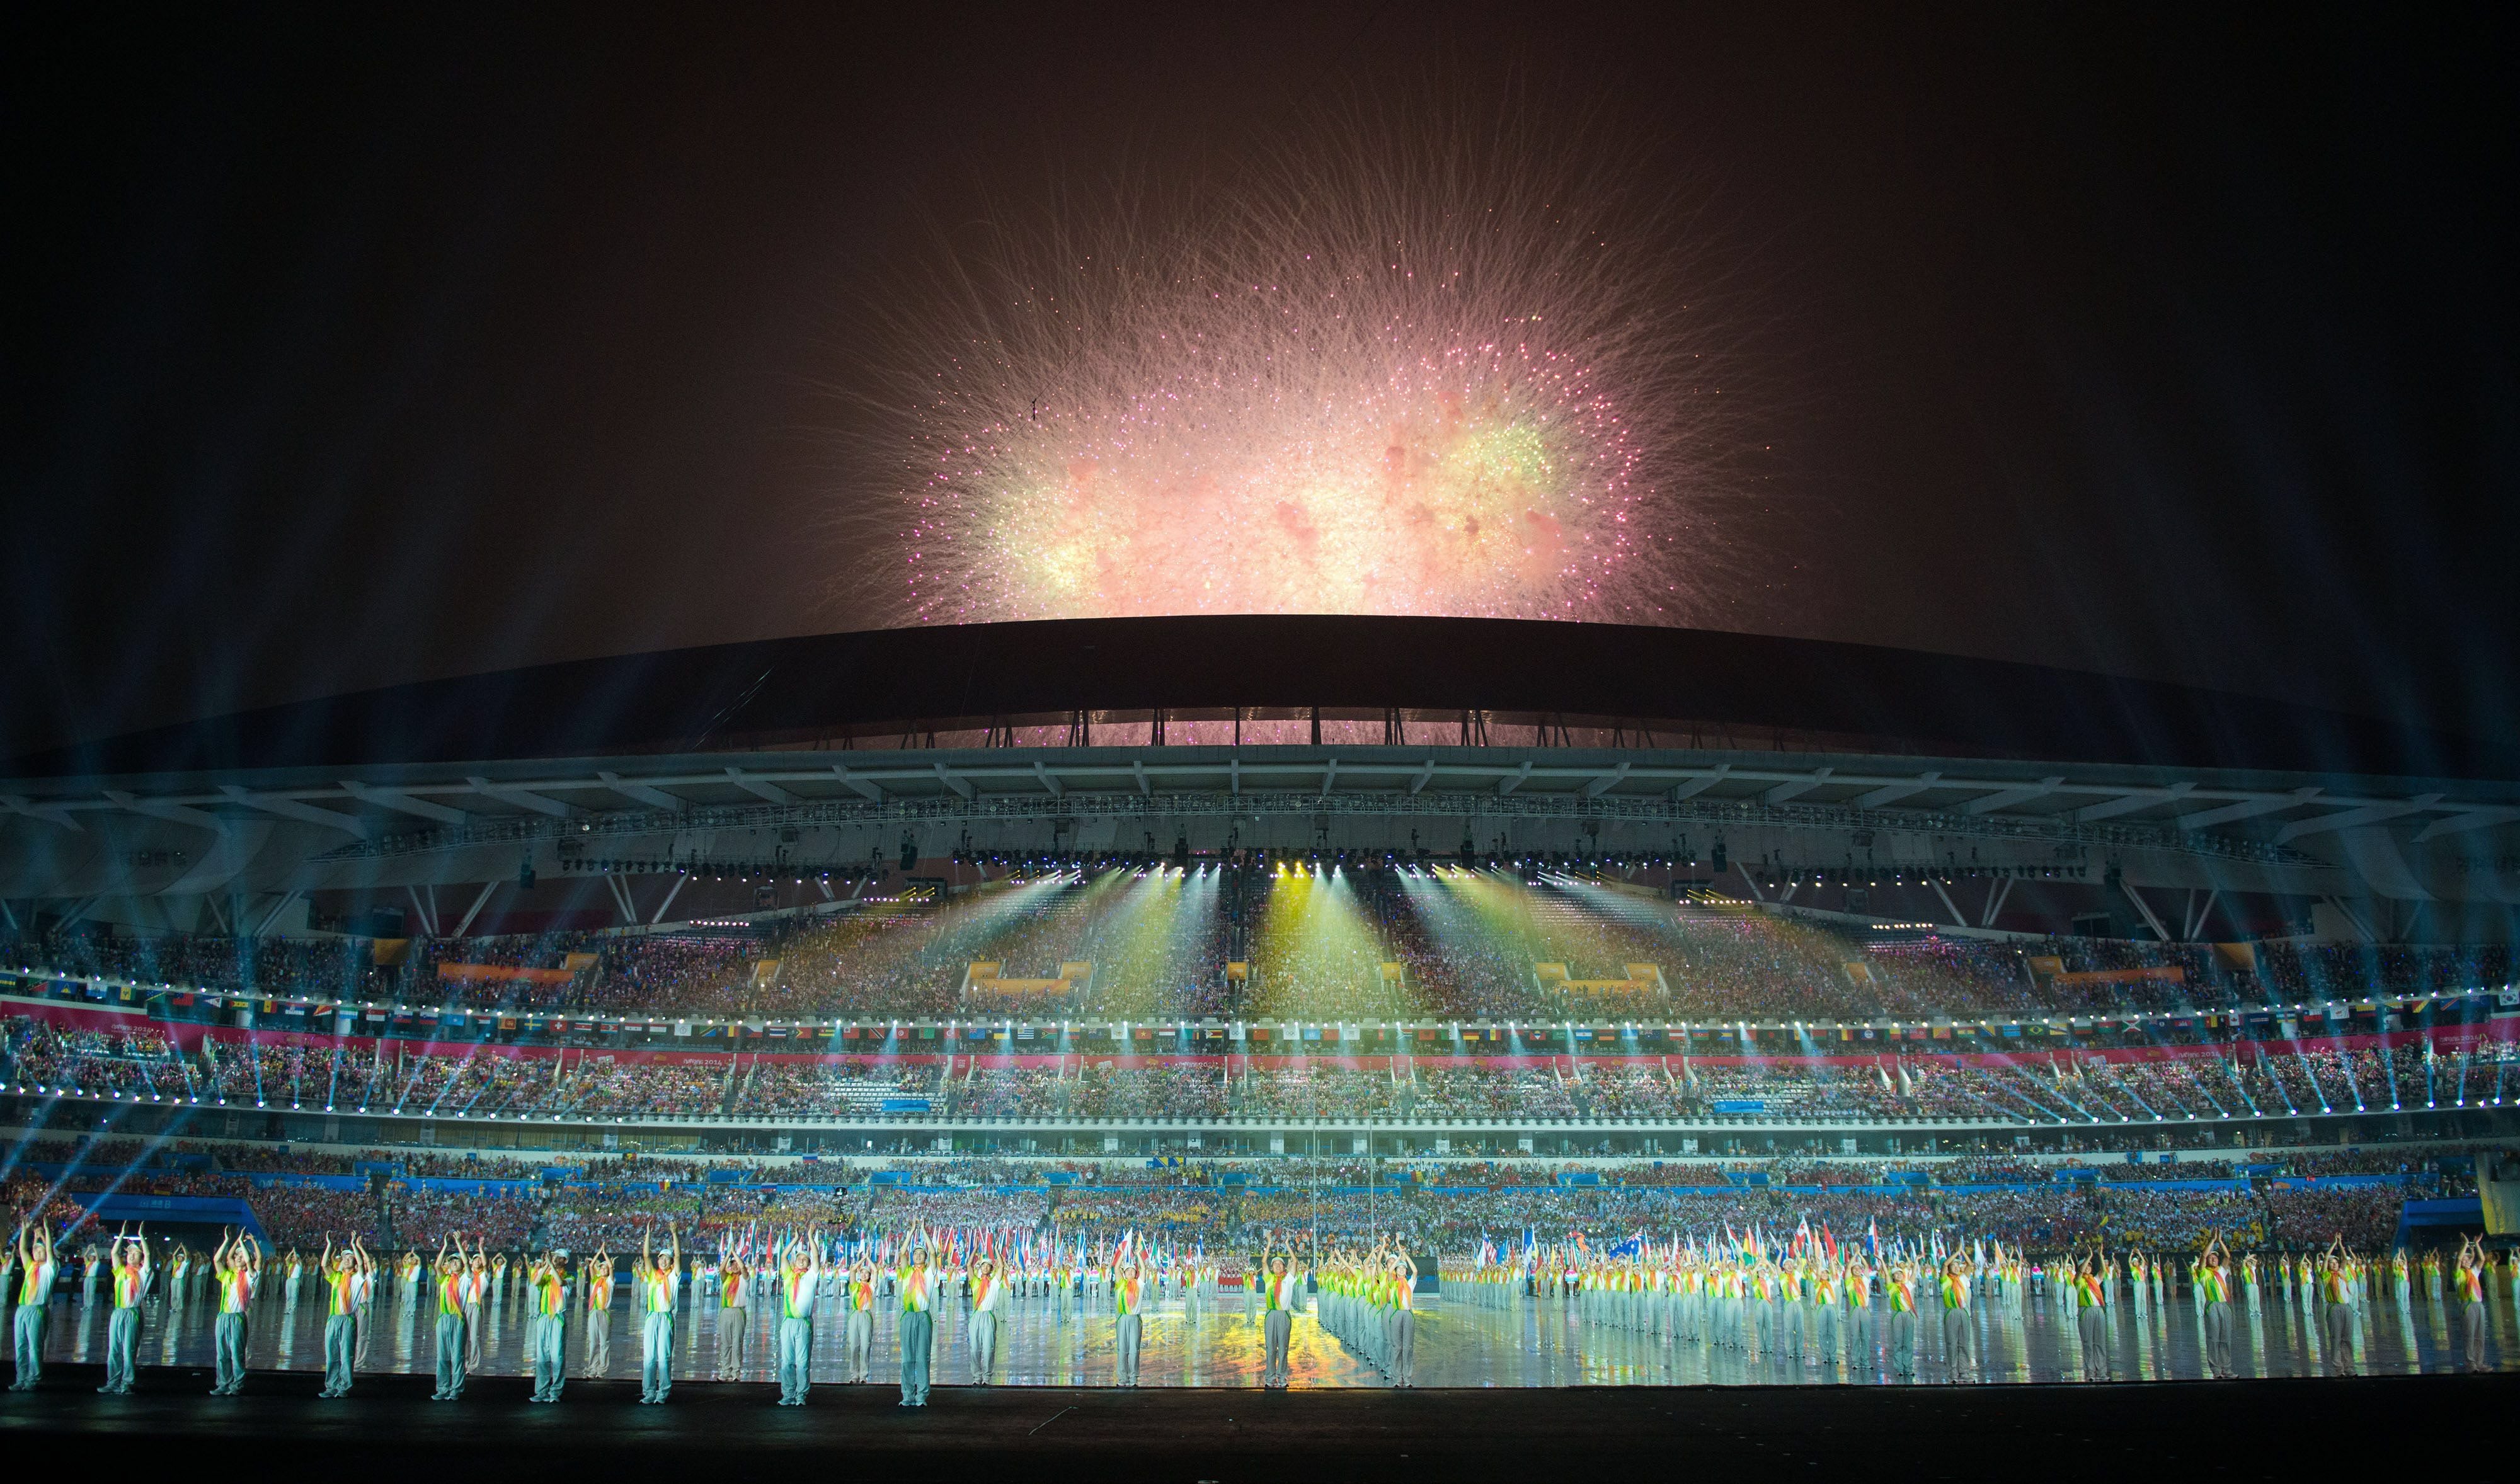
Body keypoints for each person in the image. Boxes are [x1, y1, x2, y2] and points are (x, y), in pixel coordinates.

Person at [316, 1235, 371, 1398]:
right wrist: (329, 1245)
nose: (347, 1259)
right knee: (332, 1355)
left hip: (348, 1319)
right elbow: (324, 1264)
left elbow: (362, 1264)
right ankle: (331, 1386)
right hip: (333, 1319)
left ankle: (344, 1387)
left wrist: (355, 1246)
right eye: (345, 1257)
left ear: (354, 1262)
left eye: (350, 1258)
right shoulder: (336, 1277)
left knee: (346, 1355)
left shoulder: (357, 1278)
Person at [98, 1224, 150, 1395]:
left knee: (129, 1349)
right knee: (114, 1349)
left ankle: (126, 1383)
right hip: (118, 1312)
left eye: (135, 1253)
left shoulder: (143, 1273)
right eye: (129, 1253)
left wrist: (141, 1237)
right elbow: (114, 1253)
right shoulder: (120, 1271)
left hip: (132, 1313)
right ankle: (113, 1381)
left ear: (140, 1258)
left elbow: (148, 1254)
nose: (131, 1255)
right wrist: (120, 1235)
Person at [209, 1227, 261, 1395]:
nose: (238, 1258)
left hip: (238, 1317)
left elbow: (255, 1259)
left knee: (237, 1353)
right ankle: (223, 1383)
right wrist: (227, 1241)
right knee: (222, 1353)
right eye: (237, 1256)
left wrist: (244, 1244)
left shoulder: (249, 1276)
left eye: (242, 1256)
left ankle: (237, 1385)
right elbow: (218, 1260)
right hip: (223, 1317)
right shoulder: (227, 1275)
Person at [772, 1231, 822, 1405]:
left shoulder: (811, 1276)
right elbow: (784, 1255)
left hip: (804, 1323)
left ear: (809, 1264)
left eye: (805, 1259)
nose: (802, 1260)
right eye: (799, 1258)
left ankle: (801, 1395)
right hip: (788, 1322)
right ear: (795, 1261)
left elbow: (816, 1255)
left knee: (802, 1362)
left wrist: (809, 1237)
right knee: (787, 1362)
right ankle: (788, 1394)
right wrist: (794, 1240)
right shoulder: (788, 1276)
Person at [636, 1225, 682, 1404]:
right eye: (661, 1258)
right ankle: (648, 1392)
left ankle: (663, 1392)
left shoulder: (674, 1276)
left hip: (665, 1317)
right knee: (649, 1357)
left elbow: (678, 1256)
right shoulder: (652, 1275)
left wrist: (675, 1234)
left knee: (664, 1357)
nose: (664, 1261)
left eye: (667, 1259)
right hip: (652, 1316)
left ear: (671, 1262)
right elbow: (646, 1256)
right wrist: (648, 1234)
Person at [9, 1218, 56, 1391]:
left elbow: (50, 1251)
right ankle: (21, 1378)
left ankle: (33, 1379)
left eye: (40, 1250)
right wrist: (25, 1231)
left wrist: (45, 1234)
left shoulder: (50, 1268)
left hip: (38, 1310)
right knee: (21, 1345)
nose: (37, 1252)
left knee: (35, 1346)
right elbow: (22, 1249)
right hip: (22, 1310)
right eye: (35, 1250)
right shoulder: (31, 1266)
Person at [430, 1235, 472, 1401]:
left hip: (457, 1318)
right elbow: (437, 1265)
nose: (454, 1263)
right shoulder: (444, 1279)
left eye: (457, 1261)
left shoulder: (465, 1279)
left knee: (457, 1357)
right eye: (452, 1261)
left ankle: (456, 1389)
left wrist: (458, 1246)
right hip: (443, 1318)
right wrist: (446, 1246)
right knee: (442, 1356)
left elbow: (468, 1264)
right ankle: (442, 1388)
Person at [526, 1251, 570, 1403]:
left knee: (557, 1355)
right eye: (553, 1256)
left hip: (558, 1318)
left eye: (558, 1257)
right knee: (542, 1356)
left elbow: (560, 1283)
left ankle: (555, 1391)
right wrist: (546, 1266)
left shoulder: (569, 1277)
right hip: (544, 1316)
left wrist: (550, 1265)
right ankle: (541, 1391)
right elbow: (536, 1282)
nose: (555, 1259)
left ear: (565, 1260)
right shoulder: (546, 1275)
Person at [896, 1244, 937, 1407]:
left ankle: (921, 1396)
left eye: (922, 1254)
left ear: (926, 1257)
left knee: (922, 1358)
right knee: (907, 1359)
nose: (918, 1256)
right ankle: (907, 1395)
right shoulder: (907, 1272)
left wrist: (923, 1230)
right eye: (916, 1254)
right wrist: (912, 1230)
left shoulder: (929, 1273)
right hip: (908, 1316)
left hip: (923, 1316)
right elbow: (902, 1253)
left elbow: (934, 1253)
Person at [2194, 1233, 2235, 1379]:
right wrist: (2212, 1240)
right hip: (2212, 1305)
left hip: (2225, 1306)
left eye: (2216, 1257)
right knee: (2213, 1338)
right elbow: (2203, 1256)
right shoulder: (2203, 1272)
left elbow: (2228, 1256)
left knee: (2226, 1338)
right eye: (2211, 1257)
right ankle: (2216, 1370)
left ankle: (2227, 1369)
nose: (2214, 1259)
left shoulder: (2221, 1271)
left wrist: (2220, 1241)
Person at [1259, 1245, 1299, 1388]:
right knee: (1270, 1348)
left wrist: (1288, 1244)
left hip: (1284, 1316)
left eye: (1280, 1264)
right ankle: (1270, 1378)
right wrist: (1269, 1243)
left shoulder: (1288, 1279)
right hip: (1271, 1315)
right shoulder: (1268, 1279)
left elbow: (1295, 1261)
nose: (1277, 1266)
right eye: (1274, 1264)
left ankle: (1282, 1378)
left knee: (1283, 1349)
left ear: (1283, 1267)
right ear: (1272, 1267)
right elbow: (1263, 1262)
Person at [2455, 1236, 2492, 1373]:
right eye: (2464, 1259)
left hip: (2479, 1305)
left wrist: (2477, 1244)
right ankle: (2471, 1363)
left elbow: (2482, 1259)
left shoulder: (2474, 1272)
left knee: (2480, 1336)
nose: (2465, 1260)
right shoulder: (2458, 1274)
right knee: (2469, 1335)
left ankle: (2479, 1363)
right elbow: (2458, 1260)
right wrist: (2465, 1244)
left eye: (2467, 1258)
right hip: (2467, 1305)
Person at [967, 1255, 1005, 1384]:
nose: (985, 1267)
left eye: (988, 1266)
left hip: (988, 1316)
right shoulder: (975, 1282)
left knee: (989, 1348)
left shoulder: (994, 1283)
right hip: (976, 1316)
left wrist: (997, 1252)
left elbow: (1002, 1267)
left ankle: (987, 1377)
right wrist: (974, 1252)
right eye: (983, 1265)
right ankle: (977, 1377)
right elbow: (969, 1266)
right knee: (974, 1348)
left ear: (991, 1269)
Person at [1387, 1245, 1418, 1388]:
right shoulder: (1393, 1283)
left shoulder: (1410, 1283)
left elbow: (1416, 1270)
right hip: (1396, 1313)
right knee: (1397, 1347)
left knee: (1408, 1348)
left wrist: (1406, 1257)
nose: (1400, 1270)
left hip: (1408, 1314)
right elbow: (1389, 1271)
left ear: (1406, 1272)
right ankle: (1397, 1378)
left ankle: (1407, 1378)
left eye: (1403, 1269)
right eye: (1398, 1268)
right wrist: (1399, 1258)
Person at [1937, 1256, 1973, 1382]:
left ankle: (1964, 1372)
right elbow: (1944, 1265)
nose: (1957, 1268)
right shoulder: (1945, 1280)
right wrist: (1956, 1252)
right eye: (1954, 1266)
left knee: (1964, 1344)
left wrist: (1962, 1252)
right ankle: (1953, 1373)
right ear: (1949, 1268)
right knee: (1952, 1344)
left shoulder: (1962, 1279)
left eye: (1959, 1266)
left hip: (1963, 1312)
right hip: (1951, 1312)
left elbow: (1970, 1264)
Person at [843, 1256, 878, 1384]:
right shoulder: (854, 1286)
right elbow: (852, 1271)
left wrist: (868, 1258)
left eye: (866, 1273)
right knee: (854, 1346)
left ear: (869, 1275)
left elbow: (876, 1271)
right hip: (855, 1315)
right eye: (862, 1272)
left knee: (865, 1346)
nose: (864, 1275)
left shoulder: (872, 1287)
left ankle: (864, 1375)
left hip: (866, 1316)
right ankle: (854, 1375)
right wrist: (862, 1260)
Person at [1111, 1257, 1145, 1388]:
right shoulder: (1120, 1284)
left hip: (1135, 1319)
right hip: (1123, 1318)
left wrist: (1139, 1255)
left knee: (1134, 1349)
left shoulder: (1139, 1285)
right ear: (1124, 1273)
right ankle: (1122, 1378)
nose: (1130, 1273)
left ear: (1136, 1273)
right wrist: (1120, 1252)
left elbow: (1144, 1269)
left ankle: (1133, 1378)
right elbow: (1116, 1268)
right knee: (1122, 1349)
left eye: (1132, 1271)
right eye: (1127, 1271)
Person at [582, 1245, 615, 1378]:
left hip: (604, 1313)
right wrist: (598, 1253)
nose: (603, 1269)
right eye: (601, 1267)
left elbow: (611, 1268)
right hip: (593, 1312)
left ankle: (602, 1370)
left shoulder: (610, 1282)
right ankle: (592, 1368)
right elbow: (591, 1267)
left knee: (604, 1342)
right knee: (593, 1342)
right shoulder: (595, 1280)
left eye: (605, 1268)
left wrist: (605, 1254)